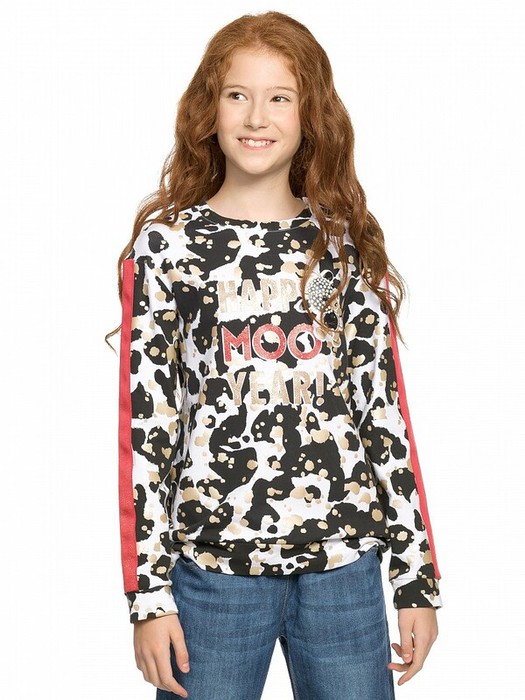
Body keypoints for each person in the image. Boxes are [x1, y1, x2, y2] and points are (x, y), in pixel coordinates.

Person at [106, 10, 442, 700]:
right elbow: (145, 428)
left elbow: (383, 415)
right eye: (237, 94)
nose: (256, 116)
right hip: (212, 575)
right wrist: (149, 597)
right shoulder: (168, 248)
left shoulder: (342, 247)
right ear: (209, 108)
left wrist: (415, 578)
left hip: (345, 570)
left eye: (279, 97)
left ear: (310, 114)